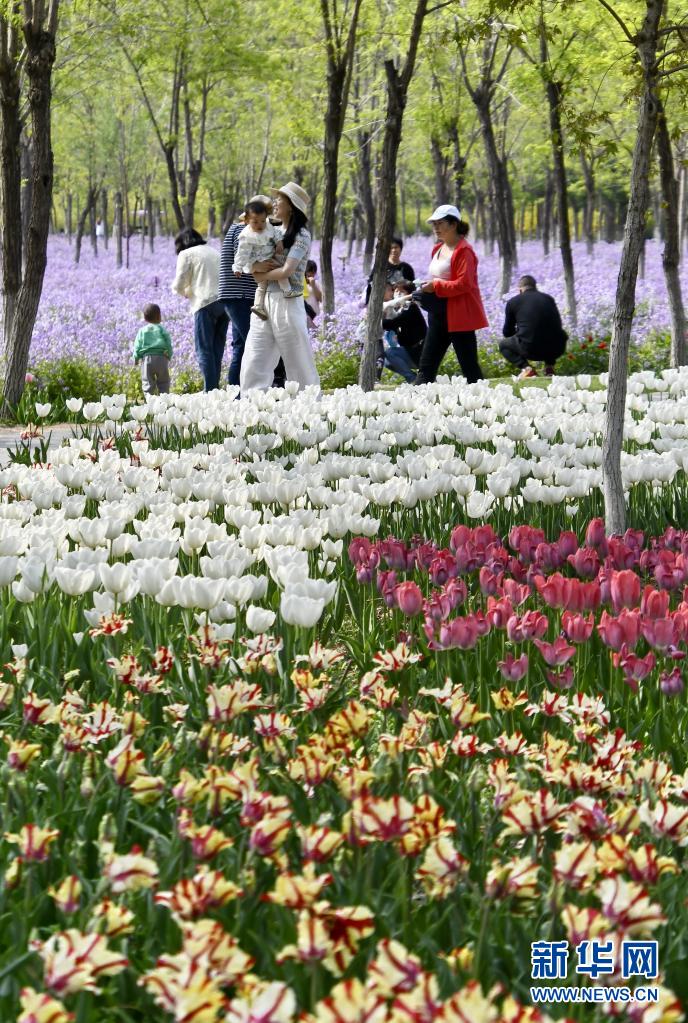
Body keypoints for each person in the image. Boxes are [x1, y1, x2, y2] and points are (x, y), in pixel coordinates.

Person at [240, 182, 320, 393]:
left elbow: (287, 271)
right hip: (264, 301)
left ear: (291, 206)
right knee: (255, 357)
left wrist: (260, 273)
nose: (275, 203)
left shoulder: (302, 235)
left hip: (287, 302)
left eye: (280, 200)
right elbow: (252, 262)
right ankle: (253, 410)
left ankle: (309, 409)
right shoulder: (270, 231)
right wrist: (255, 268)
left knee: (298, 359)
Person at [414, 205, 487, 385]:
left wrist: (436, 285)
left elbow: (465, 284)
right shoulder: (437, 249)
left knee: (469, 367)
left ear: (453, 224)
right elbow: (439, 277)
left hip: (459, 317)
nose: (436, 228)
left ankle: (484, 405)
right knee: (426, 366)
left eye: (440, 223)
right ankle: (414, 408)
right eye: (434, 224)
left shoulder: (464, 251)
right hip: (438, 314)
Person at [219, 197, 286, 388]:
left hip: (235, 294)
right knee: (254, 343)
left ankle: (236, 393)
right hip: (240, 294)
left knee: (241, 346)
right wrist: (262, 265)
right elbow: (244, 259)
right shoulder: (246, 230)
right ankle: (251, 391)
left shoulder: (238, 227)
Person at [171, 228, 229, 392]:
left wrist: (184, 292)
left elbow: (180, 282)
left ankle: (209, 391)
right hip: (225, 303)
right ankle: (215, 390)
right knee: (217, 349)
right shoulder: (214, 251)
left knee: (204, 349)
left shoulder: (186, 254)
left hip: (204, 303)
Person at [233, 199, 301, 320]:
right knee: (280, 270)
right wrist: (238, 267)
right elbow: (241, 254)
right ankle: (287, 290)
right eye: (255, 222)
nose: (260, 225)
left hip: (267, 258)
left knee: (261, 286)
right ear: (247, 221)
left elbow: (275, 234)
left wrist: (279, 242)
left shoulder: (268, 227)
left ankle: (258, 306)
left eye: (263, 221)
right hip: (258, 262)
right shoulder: (246, 236)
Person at [500, 275, 568, 378]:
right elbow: (557, 325)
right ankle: (549, 367)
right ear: (535, 287)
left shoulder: (513, 302)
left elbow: (507, 332)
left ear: (520, 290)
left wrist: (520, 334)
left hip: (529, 349)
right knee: (553, 334)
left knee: (503, 345)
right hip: (557, 348)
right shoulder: (548, 298)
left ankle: (527, 369)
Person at [382, 280, 426, 373]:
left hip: (418, 353)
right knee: (386, 361)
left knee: (390, 353)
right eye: (396, 291)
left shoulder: (411, 308)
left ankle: (413, 379)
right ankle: (416, 378)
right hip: (410, 351)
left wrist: (377, 321)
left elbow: (392, 324)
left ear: (408, 294)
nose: (397, 294)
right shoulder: (401, 309)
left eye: (401, 292)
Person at [133, 303, 172, 395]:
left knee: (147, 382)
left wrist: (136, 357)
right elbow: (168, 342)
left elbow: (137, 345)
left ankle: (149, 402)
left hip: (147, 359)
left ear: (145, 318)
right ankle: (165, 401)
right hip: (161, 358)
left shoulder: (142, 331)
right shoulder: (162, 329)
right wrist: (169, 354)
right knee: (163, 382)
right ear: (159, 316)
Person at [364, 237, 415, 304]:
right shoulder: (380, 266)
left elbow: (413, 288)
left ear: (401, 249)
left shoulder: (407, 268)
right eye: (391, 248)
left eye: (396, 247)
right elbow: (371, 284)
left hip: (401, 303)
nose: (393, 250)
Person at [304, 259, 322, 327]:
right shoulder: (299, 283)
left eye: (314, 272)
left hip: (315, 315)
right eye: (310, 271)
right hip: (304, 315)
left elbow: (321, 299)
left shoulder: (316, 283)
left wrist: (314, 286)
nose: (312, 274)